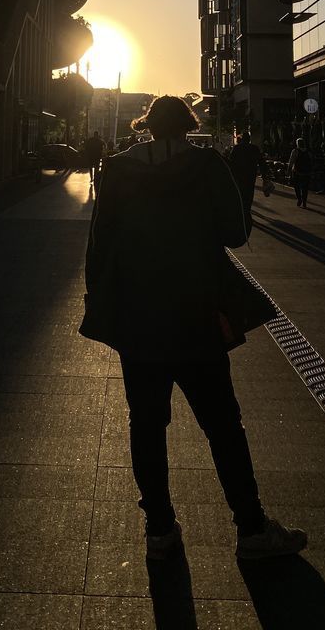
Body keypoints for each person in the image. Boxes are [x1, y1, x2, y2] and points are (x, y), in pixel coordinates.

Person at [79, 95, 306, 562]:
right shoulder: (206, 165)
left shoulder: (118, 170)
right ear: (187, 125)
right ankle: (250, 527)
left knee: (146, 424)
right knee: (223, 424)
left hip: (138, 321)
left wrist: (100, 304)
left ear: (146, 126)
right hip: (196, 316)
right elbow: (235, 233)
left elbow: (99, 243)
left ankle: (159, 529)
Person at [225, 132, 270, 236]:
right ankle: (247, 212)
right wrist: (264, 177)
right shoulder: (254, 148)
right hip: (250, 176)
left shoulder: (237, 148)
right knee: (249, 194)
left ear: (242, 139)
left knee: (240, 193)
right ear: (249, 139)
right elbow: (262, 162)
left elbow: (231, 162)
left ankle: (242, 213)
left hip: (239, 176)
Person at [288, 138, 313, 208]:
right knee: (305, 188)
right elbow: (311, 162)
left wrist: (288, 170)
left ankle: (299, 199)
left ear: (297, 144)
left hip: (297, 172)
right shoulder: (308, 152)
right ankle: (304, 202)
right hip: (307, 173)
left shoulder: (295, 151)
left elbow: (291, 161)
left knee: (297, 187)